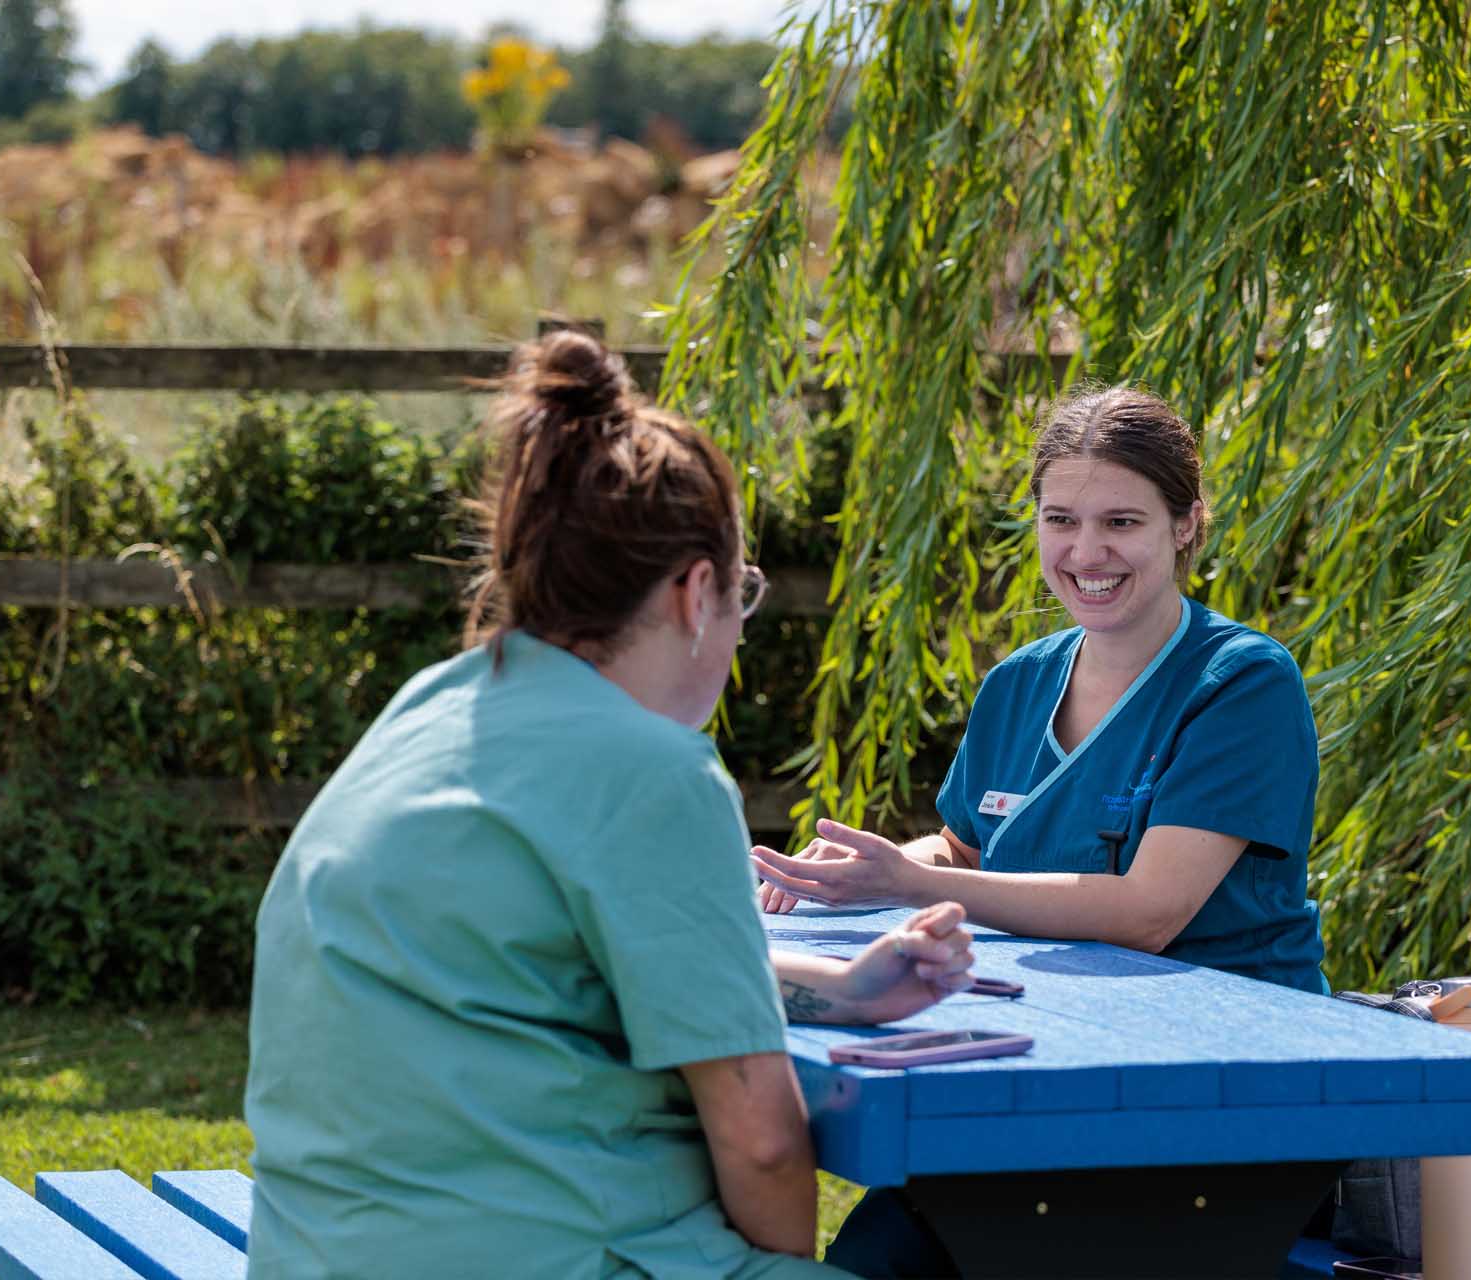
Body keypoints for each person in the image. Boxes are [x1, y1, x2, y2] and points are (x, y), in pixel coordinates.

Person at [243, 331, 974, 1280]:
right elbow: (762, 1147)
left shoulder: (434, 707)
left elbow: (579, 968)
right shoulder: (654, 773)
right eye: (741, 594)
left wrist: (839, 990)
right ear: (694, 592)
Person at [755, 385, 1326, 1277]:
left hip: (1215, 1097)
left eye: (1122, 523)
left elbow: (1150, 912)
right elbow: (966, 853)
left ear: (1186, 524)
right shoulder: (1018, 684)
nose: (1086, 552)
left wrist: (912, 885)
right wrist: (870, 866)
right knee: (874, 1259)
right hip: (1037, 1071)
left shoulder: (1242, 685)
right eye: (1061, 518)